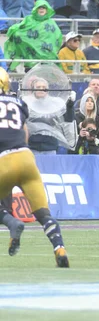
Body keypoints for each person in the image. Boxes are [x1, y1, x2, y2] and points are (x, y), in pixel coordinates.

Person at [0, 68, 69, 267]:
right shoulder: (18, 103)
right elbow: (24, 132)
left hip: (4, 161)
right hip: (26, 157)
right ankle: (59, 248)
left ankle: (12, 223)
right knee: (43, 213)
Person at [4, 0, 62, 72]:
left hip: (47, 60)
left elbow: (58, 37)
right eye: (39, 7)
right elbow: (19, 31)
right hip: (31, 62)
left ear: (47, 10)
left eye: (43, 7)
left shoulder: (51, 23)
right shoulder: (29, 19)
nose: (41, 9)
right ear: (36, 9)